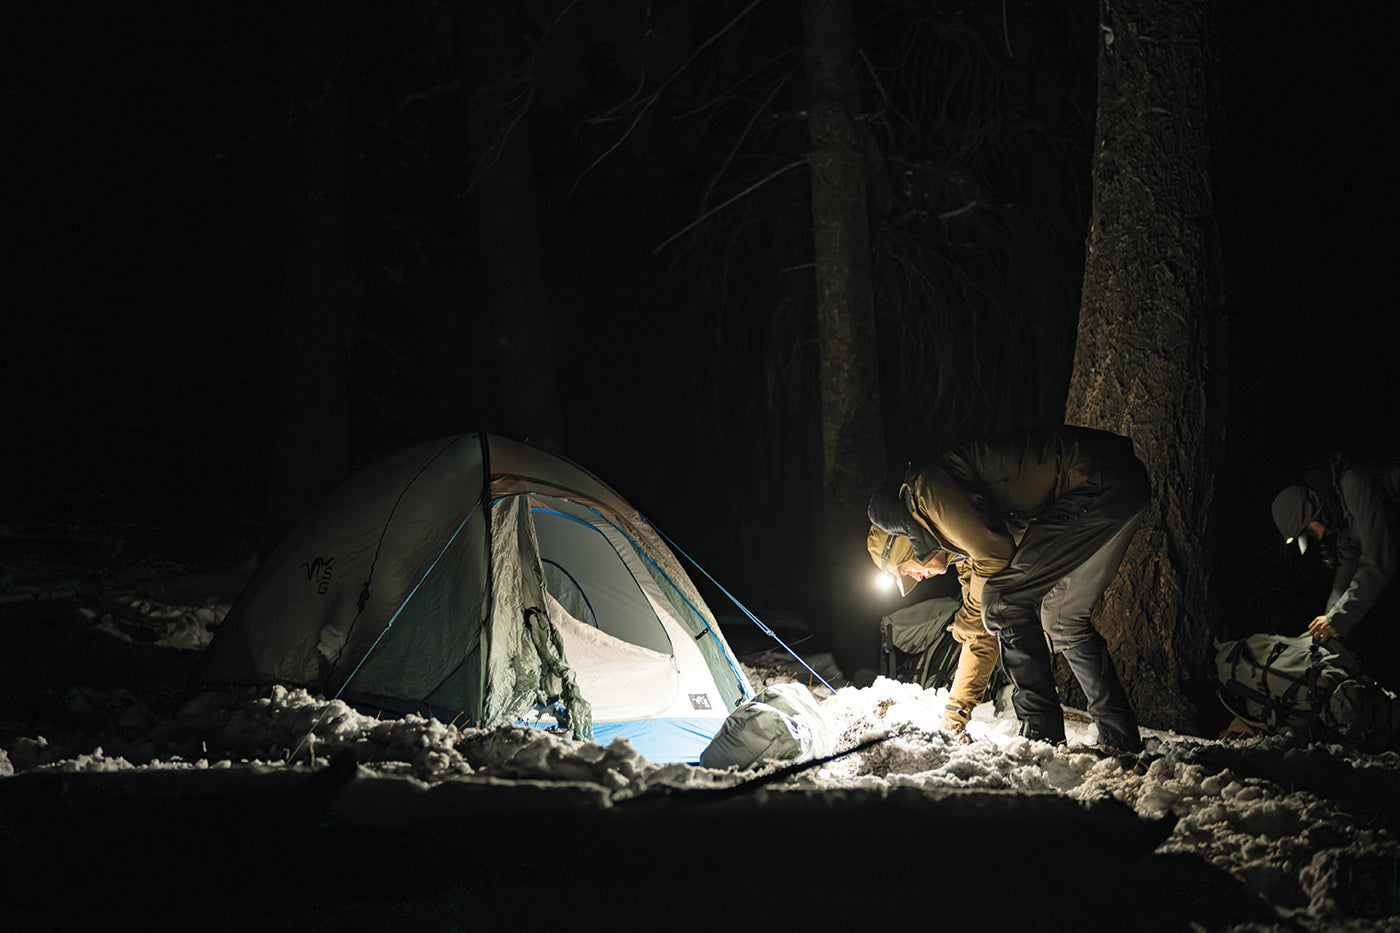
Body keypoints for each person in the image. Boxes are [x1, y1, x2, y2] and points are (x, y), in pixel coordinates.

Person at [866, 425, 1150, 751]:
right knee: (1063, 618)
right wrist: (956, 715)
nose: (915, 580)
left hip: (1097, 483)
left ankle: (1041, 735)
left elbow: (997, 556)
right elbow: (981, 636)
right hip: (1118, 487)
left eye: (907, 571)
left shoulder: (927, 493)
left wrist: (973, 618)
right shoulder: (965, 551)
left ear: (908, 543)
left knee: (1005, 600)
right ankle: (1120, 738)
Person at [1271, 448, 1399, 677]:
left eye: (1309, 532)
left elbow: (1379, 561)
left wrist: (1337, 619)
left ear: (1314, 513)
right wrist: (1326, 627)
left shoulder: (1353, 484)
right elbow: (1346, 572)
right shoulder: (1338, 522)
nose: (1314, 538)